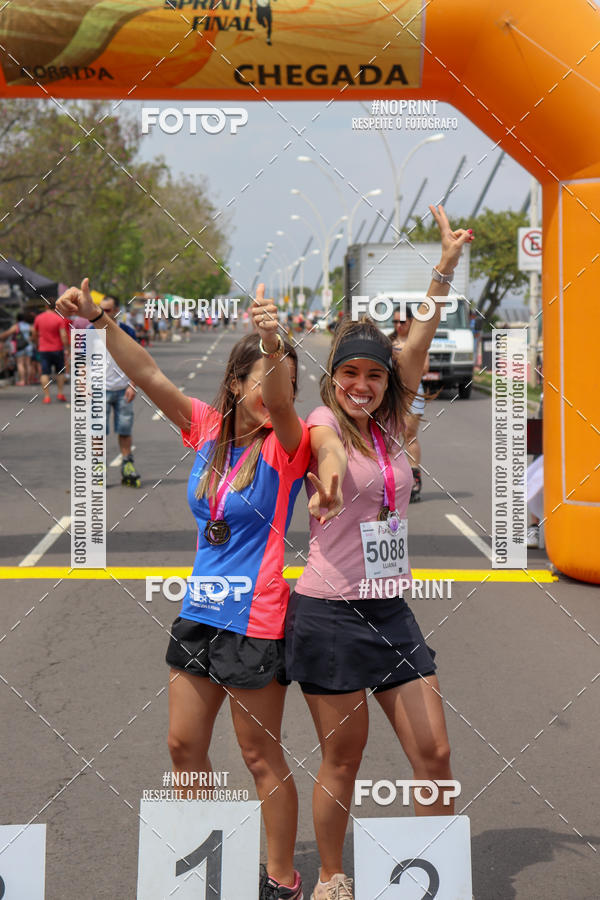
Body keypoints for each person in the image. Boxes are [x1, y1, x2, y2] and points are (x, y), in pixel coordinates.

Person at [55, 279, 338, 900]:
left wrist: (274, 344)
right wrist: (100, 321)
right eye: (268, 379)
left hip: (255, 618)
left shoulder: (286, 447)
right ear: (235, 384)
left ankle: (282, 879)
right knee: (183, 745)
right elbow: (148, 373)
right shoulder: (207, 430)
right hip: (200, 611)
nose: (280, 393)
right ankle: (205, 863)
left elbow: (284, 407)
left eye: (289, 383)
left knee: (260, 757)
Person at [285, 205, 473, 900]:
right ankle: (332, 876)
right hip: (330, 613)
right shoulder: (324, 421)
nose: (362, 384)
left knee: (436, 753)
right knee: (344, 759)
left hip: (391, 611)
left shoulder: (394, 418)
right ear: (333, 378)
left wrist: (443, 266)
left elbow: (418, 338)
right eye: (350, 373)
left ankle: (433, 876)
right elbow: (326, 451)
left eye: (373, 374)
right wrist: (331, 476)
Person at [94, 295, 141, 487]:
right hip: (98, 389)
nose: (102, 313)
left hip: (123, 390)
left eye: (107, 310)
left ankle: (127, 465)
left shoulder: (127, 332)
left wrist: (132, 385)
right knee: (97, 433)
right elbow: (81, 361)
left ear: (116, 310)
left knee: (124, 430)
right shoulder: (90, 331)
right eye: (100, 309)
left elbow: (137, 361)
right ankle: (98, 468)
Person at [390, 305, 429, 502]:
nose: (398, 325)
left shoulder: (417, 343)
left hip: (413, 392)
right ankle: (394, 481)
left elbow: (425, 368)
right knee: (390, 436)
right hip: (392, 393)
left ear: (411, 322)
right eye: (395, 321)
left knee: (409, 435)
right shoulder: (389, 342)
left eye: (402, 322)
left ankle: (414, 479)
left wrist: (403, 359)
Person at [32, 301, 69, 403]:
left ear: (46, 306)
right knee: (60, 372)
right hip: (57, 349)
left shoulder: (38, 318)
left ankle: (47, 396)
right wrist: (66, 347)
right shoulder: (59, 319)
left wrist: (37, 343)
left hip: (43, 349)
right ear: (56, 307)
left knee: (45, 373)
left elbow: (34, 333)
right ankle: (60, 394)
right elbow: (63, 335)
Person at [0, 312, 32, 386]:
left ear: (17, 319)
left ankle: (22, 380)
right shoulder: (28, 326)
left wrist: (1, 336)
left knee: (20, 363)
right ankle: (28, 380)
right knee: (28, 363)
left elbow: (7, 333)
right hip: (28, 346)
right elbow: (34, 333)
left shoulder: (16, 326)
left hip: (20, 346)